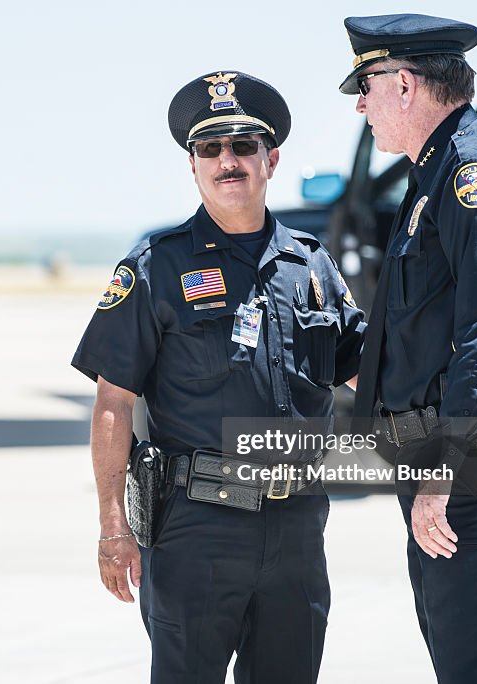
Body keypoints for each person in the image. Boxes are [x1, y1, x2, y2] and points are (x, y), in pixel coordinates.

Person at [72, 71, 366, 683]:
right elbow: (113, 402)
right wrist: (111, 526)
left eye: (241, 146)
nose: (226, 161)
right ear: (194, 164)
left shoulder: (309, 263)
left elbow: (364, 372)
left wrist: (457, 434)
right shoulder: (157, 265)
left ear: (271, 159)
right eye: (210, 149)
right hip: (197, 527)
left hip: (297, 526)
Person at [341, 14, 477, 683]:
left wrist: (446, 466)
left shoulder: (471, 168)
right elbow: (425, 330)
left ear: (403, 85)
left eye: (366, 86)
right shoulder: (434, 172)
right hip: (460, 465)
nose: (360, 104)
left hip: (476, 468)